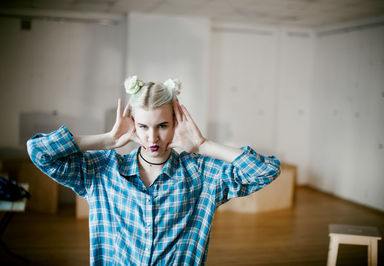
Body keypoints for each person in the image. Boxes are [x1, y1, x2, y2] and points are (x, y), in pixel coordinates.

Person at [26, 75, 281, 265]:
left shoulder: (200, 175)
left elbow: (265, 171)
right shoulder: (104, 170)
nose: (152, 138)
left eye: (162, 126)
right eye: (143, 126)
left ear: (176, 123)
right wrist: (107, 139)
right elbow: (40, 152)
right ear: (133, 126)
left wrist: (203, 145)